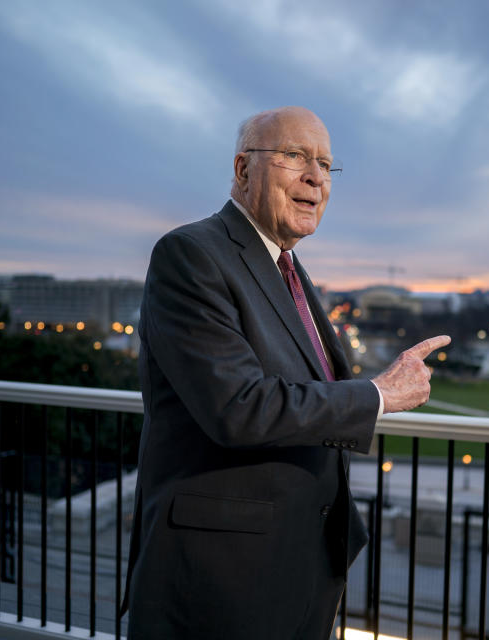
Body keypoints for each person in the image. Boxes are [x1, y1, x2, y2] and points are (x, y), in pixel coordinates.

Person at [123, 106, 450, 639]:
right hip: (220, 575)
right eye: (295, 156)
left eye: (325, 164)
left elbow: (302, 388)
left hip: (298, 563)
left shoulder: (288, 267)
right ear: (243, 168)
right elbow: (239, 407)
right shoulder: (190, 255)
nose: (315, 176)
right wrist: (377, 394)